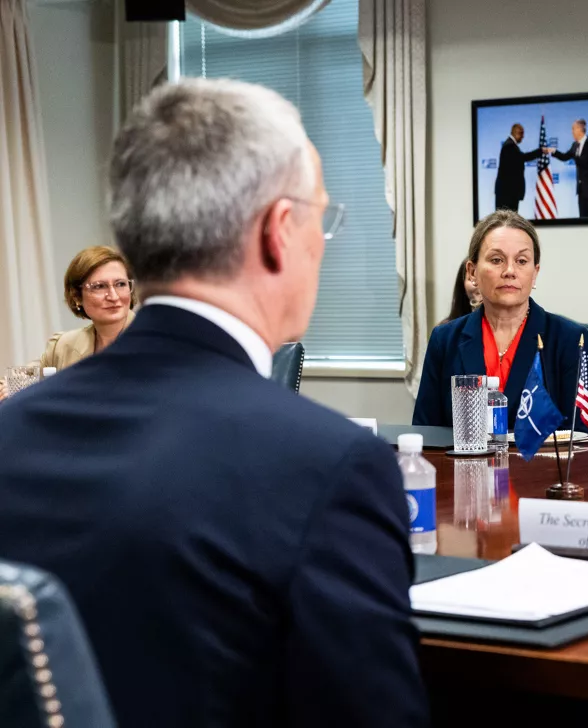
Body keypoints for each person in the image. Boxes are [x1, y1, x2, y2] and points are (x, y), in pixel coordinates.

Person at [0, 79, 428, 727]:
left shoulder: (11, 430)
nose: (321, 243)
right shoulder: (328, 465)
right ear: (278, 232)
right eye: (321, 218)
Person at [414, 209, 588, 430]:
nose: (510, 271)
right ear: (472, 272)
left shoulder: (570, 340)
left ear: (535, 273)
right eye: (496, 260)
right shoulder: (444, 340)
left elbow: (581, 438)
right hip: (462, 455)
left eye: (521, 261)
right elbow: (426, 432)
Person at [0, 246, 136, 402]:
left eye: (120, 284)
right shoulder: (63, 346)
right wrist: (14, 387)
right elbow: (15, 381)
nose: (113, 296)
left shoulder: (154, 340)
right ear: (77, 296)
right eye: (99, 286)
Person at [546, 118, 588, 218]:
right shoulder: (574, 145)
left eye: (573, 129)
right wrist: (553, 151)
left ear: (580, 129)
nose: (572, 131)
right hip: (581, 191)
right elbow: (565, 157)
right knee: (583, 219)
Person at [494, 122, 541, 212]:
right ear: (517, 133)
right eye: (522, 134)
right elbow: (523, 157)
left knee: (509, 219)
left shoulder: (510, 145)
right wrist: (540, 151)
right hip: (507, 194)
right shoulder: (509, 146)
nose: (523, 137)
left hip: (508, 193)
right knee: (508, 219)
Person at [439, 258, 483, 326]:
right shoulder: (446, 329)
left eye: (485, 278)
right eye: (471, 278)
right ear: (462, 283)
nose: (479, 284)